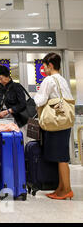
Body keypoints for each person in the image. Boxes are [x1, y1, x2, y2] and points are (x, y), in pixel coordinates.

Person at [34, 53, 74, 200]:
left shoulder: (49, 79)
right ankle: (60, 188)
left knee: (61, 157)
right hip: (65, 121)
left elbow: (41, 99)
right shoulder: (62, 80)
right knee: (61, 156)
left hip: (56, 122)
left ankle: (67, 190)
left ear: (50, 65)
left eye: (44, 66)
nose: (44, 69)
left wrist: (34, 97)